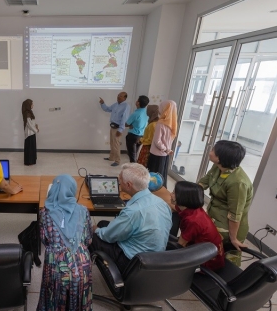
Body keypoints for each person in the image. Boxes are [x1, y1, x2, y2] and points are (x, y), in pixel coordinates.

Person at [89, 163, 172, 272]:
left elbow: (109, 236)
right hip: (155, 258)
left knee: (91, 234)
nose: (118, 183)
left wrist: (96, 230)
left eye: (120, 180)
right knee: (104, 224)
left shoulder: (132, 212)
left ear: (128, 185)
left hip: (132, 262)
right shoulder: (162, 203)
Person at [37, 175, 93, 311]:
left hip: (56, 265)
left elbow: (44, 239)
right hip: (81, 264)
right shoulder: (84, 211)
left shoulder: (44, 213)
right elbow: (88, 239)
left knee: (53, 300)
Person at [199, 140, 253, 263]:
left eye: (213, 150)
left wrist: (233, 238)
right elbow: (204, 182)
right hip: (214, 215)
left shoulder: (238, 183)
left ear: (220, 158)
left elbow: (234, 215)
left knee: (224, 258)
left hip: (229, 226)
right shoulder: (218, 167)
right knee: (208, 251)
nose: (210, 151)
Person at [170, 181, 225, 271]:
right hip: (207, 250)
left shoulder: (193, 221)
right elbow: (173, 207)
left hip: (206, 262)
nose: (170, 195)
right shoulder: (193, 209)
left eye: (173, 193)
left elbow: (180, 245)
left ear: (183, 198)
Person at [147, 100, 178, 188]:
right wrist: (167, 150)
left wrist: (165, 149)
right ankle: (161, 190)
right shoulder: (173, 123)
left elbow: (157, 141)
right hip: (165, 154)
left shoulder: (161, 123)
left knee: (154, 176)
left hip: (157, 154)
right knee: (161, 174)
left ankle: (153, 191)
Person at [99, 92, 130, 166]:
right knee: (112, 143)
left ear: (125, 98)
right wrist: (102, 103)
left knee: (116, 145)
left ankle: (117, 161)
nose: (118, 97)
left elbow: (124, 118)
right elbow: (107, 109)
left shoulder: (126, 106)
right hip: (112, 127)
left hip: (118, 128)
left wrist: (121, 129)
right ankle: (111, 157)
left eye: (121, 96)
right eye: (118, 95)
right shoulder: (115, 104)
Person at [125, 95, 149, 163]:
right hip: (141, 136)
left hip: (133, 136)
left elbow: (126, 124)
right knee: (135, 154)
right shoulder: (147, 113)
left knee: (132, 156)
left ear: (138, 103)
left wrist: (131, 125)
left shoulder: (136, 113)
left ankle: (133, 171)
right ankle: (134, 169)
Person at [22, 99, 39, 166]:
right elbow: (29, 124)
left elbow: (32, 122)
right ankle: (29, 161)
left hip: (32, 133)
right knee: (30, 148)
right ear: (28, 105)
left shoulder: (30, 112)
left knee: (32, 147)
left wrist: (36, 126)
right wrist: (36, 130)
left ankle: (32, 160)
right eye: (32, 104)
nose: (33, 105)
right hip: (29, 134)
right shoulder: (27, 113)